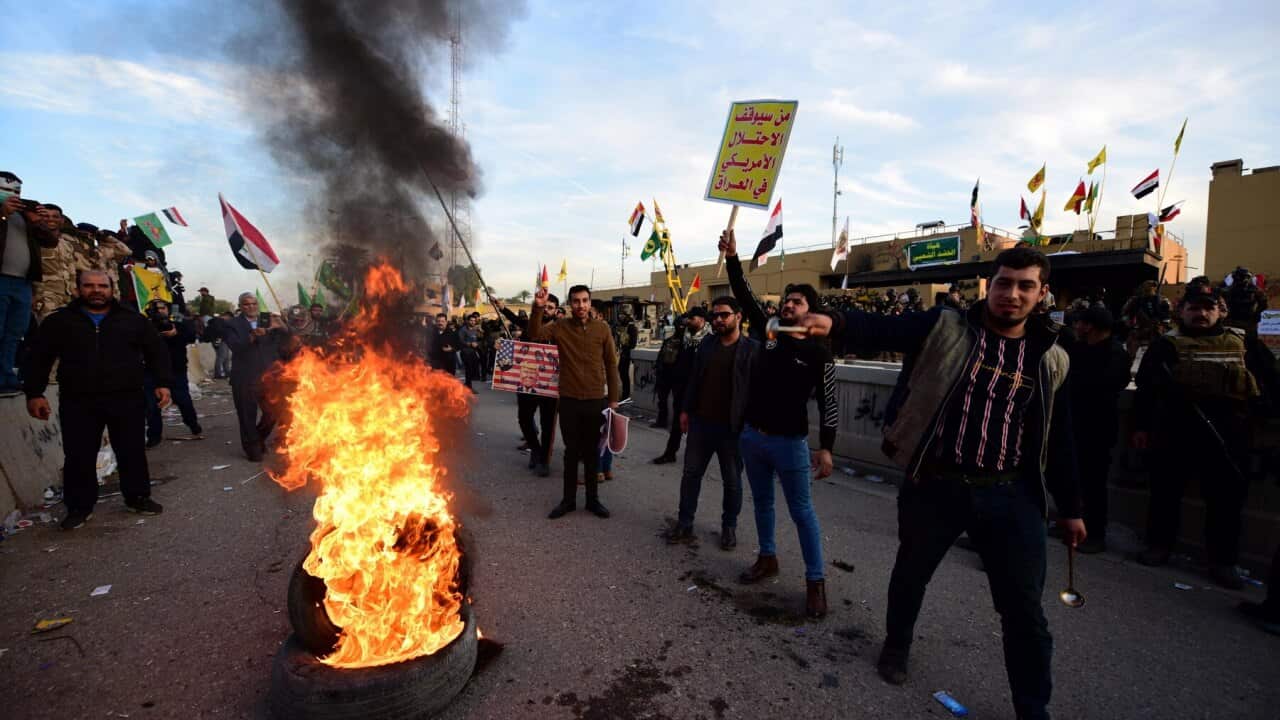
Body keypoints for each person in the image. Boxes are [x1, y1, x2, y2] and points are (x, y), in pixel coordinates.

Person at [800, 246, 1084, 720]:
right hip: (936, 483)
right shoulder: (947, 326)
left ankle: (1032, 707)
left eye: (1025, 286)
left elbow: (1060, 437)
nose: (1011, 295)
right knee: (911, 574)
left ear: (1041, 293)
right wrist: (834, 323)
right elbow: (883, 329)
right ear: (988, 286)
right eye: (1003, 283)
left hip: (1010, 493)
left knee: (1025, 613)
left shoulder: (1050, 359)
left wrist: (1072, 507)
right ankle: (896, 646)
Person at [722, 230, 838, 620]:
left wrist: (827, 448)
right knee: (763, 504)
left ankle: (815, 583)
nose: (788, 305)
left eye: (797, 301)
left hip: (791, 443)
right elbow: (744, 295)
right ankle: (767, 557)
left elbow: (829, 403)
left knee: (802, 512)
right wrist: (734, 258)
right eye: (786, 300)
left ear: (812, 310)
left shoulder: (820, 351)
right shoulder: (768, 330)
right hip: (753, 438)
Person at [1132, 282, 1276, 588]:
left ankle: (1223, 562)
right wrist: (1141, 427)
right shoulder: (1166, 345)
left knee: (1226, 502)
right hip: (1176, 431)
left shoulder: (1244, 343)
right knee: (1165, 493)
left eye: (1208, 308)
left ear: (1220, 311)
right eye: (1194, 308)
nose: (1201, 314)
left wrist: (1261, 411)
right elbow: (1145, 391)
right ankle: (1159, 546)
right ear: (1182, 311)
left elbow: (1270, 382)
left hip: (1228, 433)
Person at [23, 270, 171, 529]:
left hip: (126, 398)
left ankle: (138, 497)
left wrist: (162, 383)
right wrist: (34, 393)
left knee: (132, 451)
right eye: (89, 285)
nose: (96, 290)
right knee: (78, 455)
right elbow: (39, 358)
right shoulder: (59, 322)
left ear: (111, 288)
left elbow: (156, 352)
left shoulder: (133, 320)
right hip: (78, 401)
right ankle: (79, 507)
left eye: (102, 286)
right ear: (77, 288)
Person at [663, 296, 758, 552]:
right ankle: (684, 523)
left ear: (738, 317)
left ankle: (729, 527)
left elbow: (756, 392)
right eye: (715, 315)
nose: (718, 319)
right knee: (691, 474)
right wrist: (685, 410)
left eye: (724, 315)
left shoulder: (752, 350)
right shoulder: (707, 345)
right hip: (701, 424)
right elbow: (694, 379)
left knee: (732, 481)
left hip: (732, 429)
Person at [526, 284, 620, 519]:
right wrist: (537, 308)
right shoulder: (559, 327)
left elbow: (610, 363)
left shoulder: (602, 329)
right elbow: (534, 335)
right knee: (571, 452)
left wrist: (614, 399)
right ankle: (568, 501)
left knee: (591, 453)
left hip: (596, 399)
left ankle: (592, 500)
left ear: (590, 303)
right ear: (570, 304)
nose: (581, 305)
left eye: (585, 300)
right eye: (576, 301)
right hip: (568, 400)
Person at [1064, 304, 1131, 554]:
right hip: (1073, 425)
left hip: (1098, 429)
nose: (1076, 327)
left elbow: (1106, 384)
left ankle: (1095, 534)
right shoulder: (1078, 348)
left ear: (1089, 326)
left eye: (1080, 322)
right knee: (1071, 479)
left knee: (1093, 483)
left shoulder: (1115, 353)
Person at [1, 172, 59, 394]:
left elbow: (51, 242)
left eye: (16, 191)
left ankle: (6, 377)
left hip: (23, 283)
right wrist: (2, 215)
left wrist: (40, 222)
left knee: (15, 332)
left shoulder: (26, 216)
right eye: (6, 190)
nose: (12, 195)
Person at [222, 292, 290, 461]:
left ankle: (258, 438)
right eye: (246, 304)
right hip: (245, 378)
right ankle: (252, 448)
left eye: (254, 304)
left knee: (273, 412)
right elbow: (236, 347)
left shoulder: (268, 319)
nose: (251, 307)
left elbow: (289, 342)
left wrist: (282, 326)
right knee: (247, 415)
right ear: (240, 306)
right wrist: (252, 336)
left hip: (269, 377)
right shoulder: (232, 324)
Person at [498, 296, 558, 477]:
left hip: (550, 386)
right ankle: (535, 449)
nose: (546, 309)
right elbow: (515, 321)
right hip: (526, 382)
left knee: (548, 424)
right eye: (544, 306)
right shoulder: (529, 325)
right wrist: (501, 348)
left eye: (551, 307)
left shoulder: (560, 329)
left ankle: (544, 461)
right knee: (524, 418)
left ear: (556, 310)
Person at [651, 307, 709, 464]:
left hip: (701, 390)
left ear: (702, 320)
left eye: (692, 318)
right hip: (681, 388)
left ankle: (696, 456)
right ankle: (670, 453)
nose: (688, 320)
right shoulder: (683, 337)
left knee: (699, 426)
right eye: (688, 318)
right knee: (677, 422)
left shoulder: (710, 339)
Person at [143, 300, 202, 446]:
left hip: (176, 370)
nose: (160, 311)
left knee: (183, 401)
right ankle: (154, 435)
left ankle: (192, 424)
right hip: (152, 371)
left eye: (162, 308)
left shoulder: (179, 325)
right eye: (156, 309)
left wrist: (176, 334)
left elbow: (191, 336)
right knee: (151, 406)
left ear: (168, 310)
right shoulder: (146, 327)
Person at [29, 204, 78, 323]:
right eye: (46, 216)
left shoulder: (66, 244)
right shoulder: (32, 239)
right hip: (44, 296)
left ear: (62, 220)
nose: (51, 219)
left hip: (66, 297)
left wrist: (75, 293)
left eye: (55, 217)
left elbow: (71, 271)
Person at [614, 310, 638, 401]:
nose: (620, 318)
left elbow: (633, 343)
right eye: (620, 316)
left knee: (624, 373)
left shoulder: (631, 327)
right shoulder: (623, 326)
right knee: (622, 372)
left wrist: (627, 350)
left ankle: (626, 394)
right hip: (623, 352)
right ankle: (625, 393)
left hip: (627, 353)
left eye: (622, 316)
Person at [205, 310, 234, 379]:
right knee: (221, 357)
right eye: (230, 318)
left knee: (226, 357)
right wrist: (218, 342)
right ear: (227, 316)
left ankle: (227, 372)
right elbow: (219, 332)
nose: (229, 320)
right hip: (220, 340)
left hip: (221, 340)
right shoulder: (219, 321)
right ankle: (218, 374)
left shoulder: (217, 321)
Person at [458, 312, 482, 391]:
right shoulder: (463, 330)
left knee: (473, 369)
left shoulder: (476, 330)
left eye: (474, 321)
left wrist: (477, 343)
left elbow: (479, 339)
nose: (473, 322)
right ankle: (469, 387)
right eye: (471, 320)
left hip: (473, 352)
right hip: (465, 352)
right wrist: (470, 344)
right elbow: (460, 341)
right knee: (468, 369)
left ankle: (467, 384)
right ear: (468, 321)